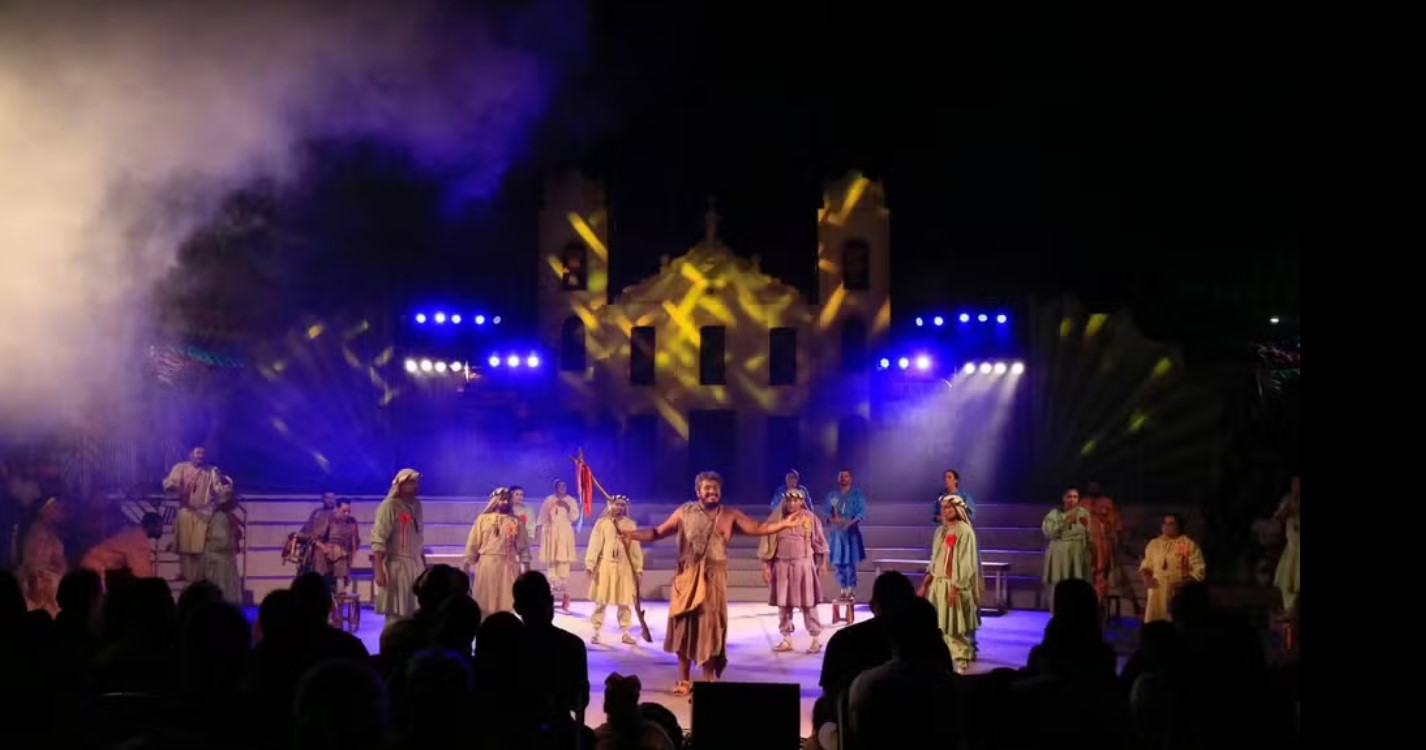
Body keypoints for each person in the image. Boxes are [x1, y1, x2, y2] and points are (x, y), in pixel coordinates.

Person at [622, 470, 803, 696]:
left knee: (710, 630)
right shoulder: (684, 512)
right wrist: (632, 535)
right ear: (698, 491)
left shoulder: (729, 514)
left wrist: (783, 524)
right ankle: (684, 680)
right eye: (707, 488)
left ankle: (708, 681)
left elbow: (759, 528)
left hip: (714, 580)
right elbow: (657, 532)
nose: (712, 492)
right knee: (683, 628)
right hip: (686, 578)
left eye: (715, 488)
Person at [758, 487, 829, 654]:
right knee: (783, 604)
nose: (791, 503)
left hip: (803, 565)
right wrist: (765, 567)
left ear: (801, 502)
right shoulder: (777, 519)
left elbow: (820, 541)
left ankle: (815, 639)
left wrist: (823, 563)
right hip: (782, 566)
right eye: (789, 500)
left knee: (808, 602)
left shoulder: (810, 518)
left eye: (795, 500)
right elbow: (766, 543)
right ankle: (787, 639)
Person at [918, 494, 979, 672]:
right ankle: (942, 661)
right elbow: (935, 559)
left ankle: (961, 661)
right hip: (938, 584)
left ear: (957, 509)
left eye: (949, 507)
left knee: (953, 627)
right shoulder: (940, 531)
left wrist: (956, 587)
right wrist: (925, 583)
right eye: (943, 507)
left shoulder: (965, 532)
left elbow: (967, 562)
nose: (945, 511)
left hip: (953, 584)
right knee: (938, 625)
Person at [162, 446, 229, 581]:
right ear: (190, 454)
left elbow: (218, 488)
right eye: (198, 453)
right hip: (186, 512)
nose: (200, 456)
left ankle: (200, 576)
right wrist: (175, 486)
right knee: (185, 548)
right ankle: (185, 574)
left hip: (204, 513)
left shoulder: (211, 470)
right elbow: (169, 483)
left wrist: (226, 488)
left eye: (203, 453)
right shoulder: (180, 468)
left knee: (201, 548)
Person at [585, 494, 644, 645]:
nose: (619, 507)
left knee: (624, 601)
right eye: (617, 504)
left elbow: (635, 548)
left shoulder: (630, 524)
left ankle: (625, 632)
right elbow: (595, 544)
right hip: (606, 566)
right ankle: (596, 631)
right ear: (611, 505)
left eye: (622, 505)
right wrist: (590, 564)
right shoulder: (603, 523)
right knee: (601, 600)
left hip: (624, 567)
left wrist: (638, 568)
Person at [465, 486, 531, 616]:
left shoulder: (515, 521)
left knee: (506, 602)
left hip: (508, 565)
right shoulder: (482, 519)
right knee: (484, 601)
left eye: (507, 500)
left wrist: (526, 568)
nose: (505, 502)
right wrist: (467, 565)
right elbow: (473, 543)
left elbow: (523, 547)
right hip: (487, 565)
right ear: (495, 501)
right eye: (502, 499)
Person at [371, 468, 426, 622]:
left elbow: (418, 538)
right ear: (400, 485)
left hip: (415, 564)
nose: (415, 486)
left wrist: (423, 563)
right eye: (411, 483)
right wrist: (379, 571)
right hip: (397, 565)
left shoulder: (417, 506)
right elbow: (379, 539)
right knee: (396, 613)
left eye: (416, 482)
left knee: (415, 612)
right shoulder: (389, 506)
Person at [1139, 513, 1206, 623]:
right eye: (1165, 523)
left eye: (1170, 523)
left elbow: (1199, 570)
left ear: (1178, 526)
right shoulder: (1154, 544)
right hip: (1156, 593)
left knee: (1174, 623)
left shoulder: (1188, 544)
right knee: (1155, 623)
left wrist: (1183, 584)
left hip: (1177, 594)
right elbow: (1146, 564)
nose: (1166, 526)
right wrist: (1145, 578)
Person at [824, 469, 868, 602]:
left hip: (851, 534)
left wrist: (849, 522)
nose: (843, 478)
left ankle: (851, 591)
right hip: (837, 535)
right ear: (838, 478)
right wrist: (833, 519)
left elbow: (861, 512)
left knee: (850, 563)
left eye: (846, 476)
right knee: (839, 564)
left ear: (850, 478)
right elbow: (826, 513)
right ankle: (843, 591)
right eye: (841, 476)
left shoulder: (857, 494)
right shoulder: (832, 495)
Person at [537, 479, 581, 611]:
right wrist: (539, 530)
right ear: (555, 488)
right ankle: (550, 596)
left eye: (564, 486)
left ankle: (565, 596)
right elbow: (543, 517)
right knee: (552, 565)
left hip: (564, 533)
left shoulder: (571, 500)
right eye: (559, 486)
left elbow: (574, 517)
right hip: (551, 532)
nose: (562, 488)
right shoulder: (549, 499)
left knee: (563, 564)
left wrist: (566, 506)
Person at [1041, 488, 1092, 600]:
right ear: (1063, 498)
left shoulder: (1083, 513)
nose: (1072, 500)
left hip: (1078, 553)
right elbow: (1049, 533)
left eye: (1075, 497)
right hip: (1060, 552)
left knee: (1077, 583)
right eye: (1069, 497)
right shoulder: (1054, 515)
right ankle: (1058, 607)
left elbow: (1088, 534)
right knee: (1059, 583)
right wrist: (1065, 523)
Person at [81, 512, 162, 583]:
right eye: (160, 526)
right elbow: (142, 573)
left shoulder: (133, 532)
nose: (162, 529)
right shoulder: (139, 540)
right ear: (152, 525)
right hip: (95, 570)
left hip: (91, 567)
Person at [18, 496, 65, 615]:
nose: (57, 512)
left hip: (51, 573)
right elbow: (30, 561)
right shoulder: (35, 533)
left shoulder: (53, 535)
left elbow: (59, 560)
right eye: (53, 508)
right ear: (43, 511)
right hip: (35, 575)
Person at [1082, 480, 1123, 600]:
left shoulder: (1107, 502)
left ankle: (1100, 602)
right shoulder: (1082, 503)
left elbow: (1116, 522)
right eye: (1091, 486)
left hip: (1103, 542)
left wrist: (1116, 538)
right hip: (1086, 542)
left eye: (1096, 486)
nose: (1093, 488)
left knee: (1102, 574)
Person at [202, 489, 244, 603]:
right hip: (218, 562)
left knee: (228, 590)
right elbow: (221, 542)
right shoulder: (219, 518)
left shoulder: (226, 516)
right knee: (221, 591)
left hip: (225, 560)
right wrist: (233, 531)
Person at [312, 498, 360, 593]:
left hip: (344, 553)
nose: (347, 514)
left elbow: (355, 541)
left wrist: (353, 554)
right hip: (328, 552)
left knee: (341, 565)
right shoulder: (329, 518)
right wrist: (324, 548)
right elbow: (316, 538)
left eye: (348, 511)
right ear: (337, 509)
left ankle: (340, 592)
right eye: (344, 511)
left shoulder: (351, 522)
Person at [1273, 476, 1300, 613]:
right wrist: (1286, 511)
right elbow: (1277, 517)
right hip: (1292, 547)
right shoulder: (1287, 500)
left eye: (1298, 483)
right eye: (1294, 483)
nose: (1296, 486)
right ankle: (1289, 609)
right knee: (1287, 582)